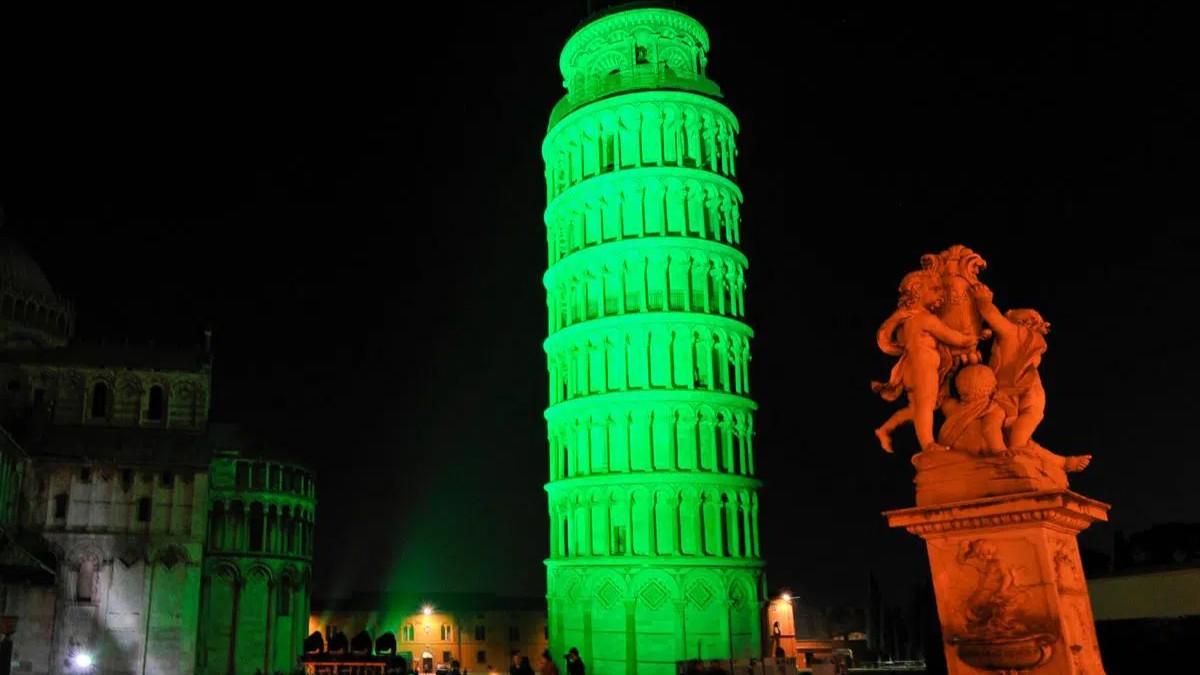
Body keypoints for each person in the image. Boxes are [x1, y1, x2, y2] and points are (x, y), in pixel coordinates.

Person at [873, 269, 978, 453]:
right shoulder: (924, 318)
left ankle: (885, 429)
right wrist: (970, 338)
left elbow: (889, 340)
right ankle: (928, 445)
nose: (941, 293)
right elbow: (952, 337)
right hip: (922, 368)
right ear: (918, 291)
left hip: (914, 368)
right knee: (924, 407)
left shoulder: (908, 318)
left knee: (917, 408)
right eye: (935, 289)